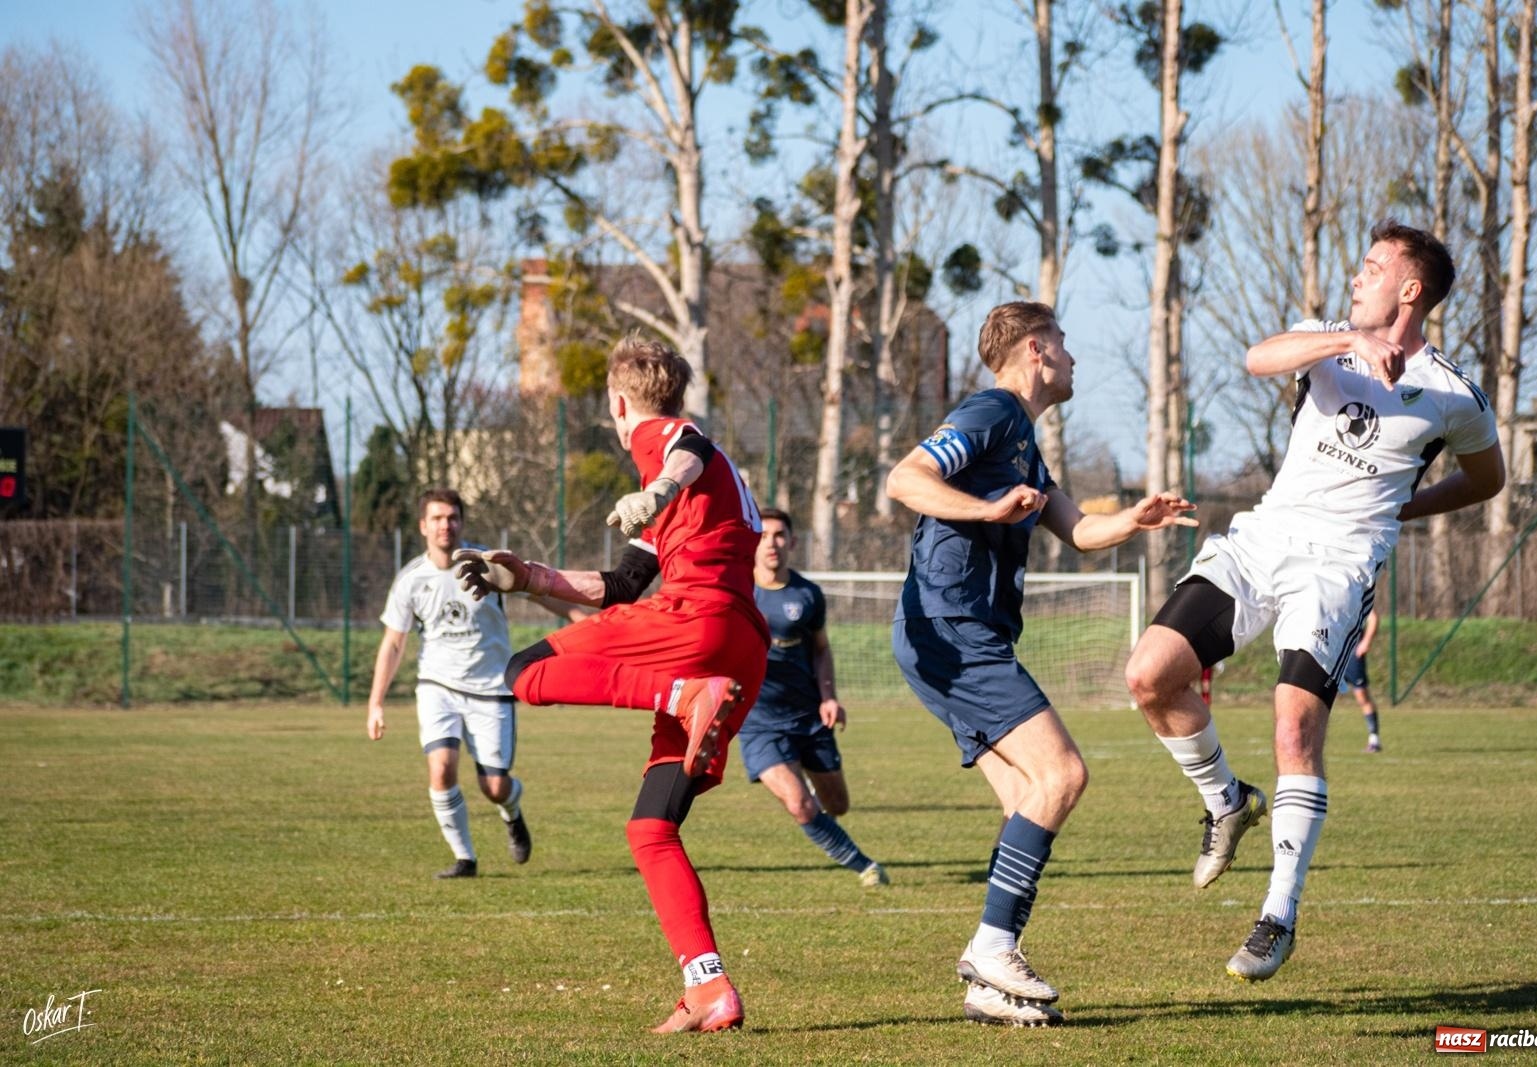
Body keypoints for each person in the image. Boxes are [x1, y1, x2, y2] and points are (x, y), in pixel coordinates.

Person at [1124, 219, 1505, 983]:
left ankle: (1277, 915)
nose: (1356, 278)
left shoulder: (1453, 394)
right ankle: (1227, 801)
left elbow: (1488, 479)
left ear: (1409, 288)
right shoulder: (1325, 338)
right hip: (1263, 539)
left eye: (1371, 268)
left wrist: (1405, 509)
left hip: (1336, 567)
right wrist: (1342, 346)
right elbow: (1256, 357)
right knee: (1148, 674)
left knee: (1295, 727)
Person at [887, 300, 1197, 1027]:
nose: (1072, 356)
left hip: (954, 631)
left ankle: (990, 987)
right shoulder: (992, 409)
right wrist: (987, 511)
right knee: (1063, 774)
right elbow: (906, 478)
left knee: (1029, 793)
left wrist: (1133, 519)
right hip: (951, 625)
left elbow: (1079, 529)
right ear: (1034, 349)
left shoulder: (1022, 438)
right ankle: (993, 946)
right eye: (1063, 340)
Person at [452, 334, 768, 1035]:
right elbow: (619, 584)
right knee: (651, 828)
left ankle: (680, 697)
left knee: (525, 671)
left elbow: (686, 448)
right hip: (738, 649)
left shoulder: (671, 442)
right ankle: (707, 987)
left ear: (618, 403)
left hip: (697, 626)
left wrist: (656, 485)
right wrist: (525, 575)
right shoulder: (702, 487)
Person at [367, 487, 531, 879]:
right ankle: (465, 858)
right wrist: (376, 703)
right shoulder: (411, 579)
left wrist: (582, 610)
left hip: (491, 688)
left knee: (494, 786)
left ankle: (512, 811)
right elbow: (393, 642)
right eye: (437, 518)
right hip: (437, 685)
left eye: (453, 517)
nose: (446, 525)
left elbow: (538, 590)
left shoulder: (488, 565)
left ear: (462, 522)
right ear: (424, 526)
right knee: (441, 768)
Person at [740, 507, 887, 888]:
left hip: (808, 715)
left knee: (837, 805)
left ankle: (811, 795)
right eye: (763, 535)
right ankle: (865, 867)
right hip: (758, 721)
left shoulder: (808, 594)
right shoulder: (736, 591)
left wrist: (829, 697)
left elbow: (821, 649)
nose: (771, 543)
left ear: (792, 542)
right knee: (800, 804)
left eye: (778, 535)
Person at [1344, 613, 1382, 753]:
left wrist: (1366, 642)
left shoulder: (1358, 591)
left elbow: (1373, 617)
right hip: (1332, 653)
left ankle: (1374, 740)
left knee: (1362, 696)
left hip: (1352, 655)